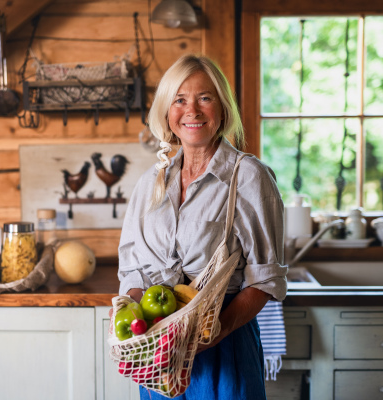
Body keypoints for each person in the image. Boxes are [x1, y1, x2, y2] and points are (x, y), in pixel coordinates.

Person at [117, 54, 287, 400]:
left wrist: (207, 336)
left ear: (222, 109)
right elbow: (132, 269)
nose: (191, 111)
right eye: (180, 100)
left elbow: (265, 279)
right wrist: (136, 322)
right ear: (167, 111)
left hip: (223, 348)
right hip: (158, 355)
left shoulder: (248, 177)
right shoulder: (150, 183)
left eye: (204, 98)